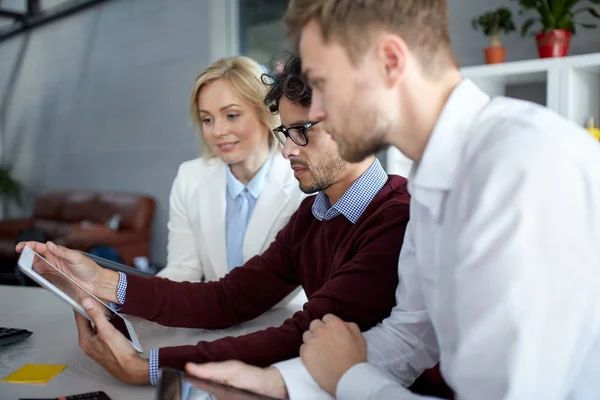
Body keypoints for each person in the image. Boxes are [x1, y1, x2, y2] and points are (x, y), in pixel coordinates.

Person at [182, 0, 600, 399]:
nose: (320, 110)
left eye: (323, 84)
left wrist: (350, 378)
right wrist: (280, 382)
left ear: (391, 61)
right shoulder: (431, 176)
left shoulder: (523, 165)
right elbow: (411, 334)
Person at [16, 52, 412, 387]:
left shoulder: (395, 219)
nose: (289, 149)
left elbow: (303, 333)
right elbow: (227, 297)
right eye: (285, 133)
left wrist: (150, 368)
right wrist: (101, 280)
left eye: (303, 131)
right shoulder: (313, 214)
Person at [156, 56, 305, 284]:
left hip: (289, 317)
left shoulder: (302, 179)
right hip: (215, 316)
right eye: (207, 119)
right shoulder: (189, 177)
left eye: (232, 115)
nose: (217, 131)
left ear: (265, 111)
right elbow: (183, 270)